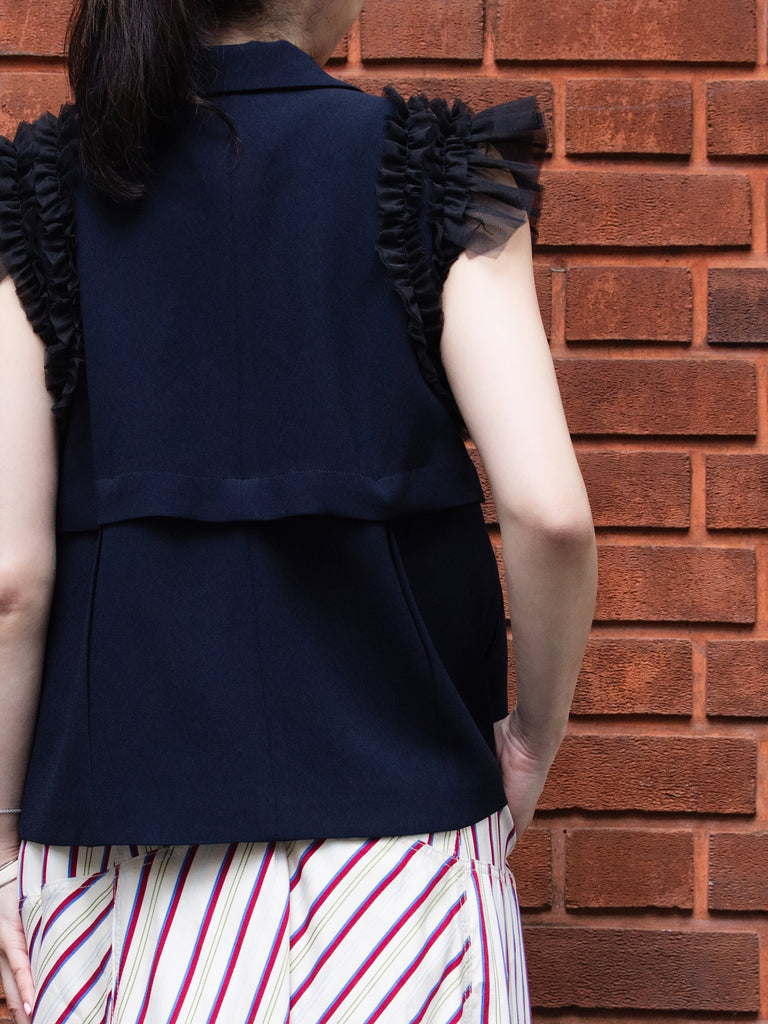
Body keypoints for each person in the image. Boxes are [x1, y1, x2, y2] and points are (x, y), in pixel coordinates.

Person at [0, 0, 597, 1020]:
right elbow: (548, 512)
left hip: (117, 878)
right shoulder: (437, 168)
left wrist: (4, 830)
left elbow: (10, 582)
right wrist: (529, 743)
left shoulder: (44, 190)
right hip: (399, 876)